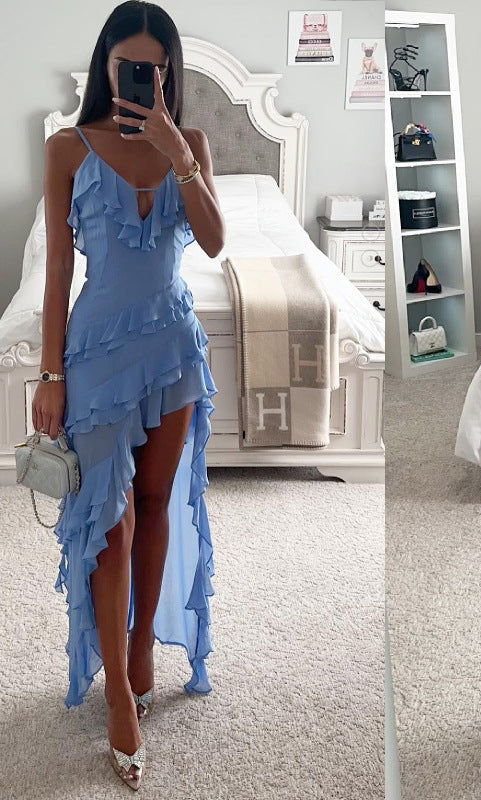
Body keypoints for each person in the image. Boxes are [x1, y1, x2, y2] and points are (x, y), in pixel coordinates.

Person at [35, 1, 224, 790]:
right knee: (108, 523)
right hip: (97, 356)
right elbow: (56, 271)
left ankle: (144, 643)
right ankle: (116, 687)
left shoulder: (193, 144)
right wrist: (49, 375)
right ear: (106, 66)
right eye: (130, 67)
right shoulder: (66, 148)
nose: (145, 79)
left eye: (157, 69)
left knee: (154, 503)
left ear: (170, 74)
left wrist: (179, 154)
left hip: (173, 347)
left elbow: (213, 240)